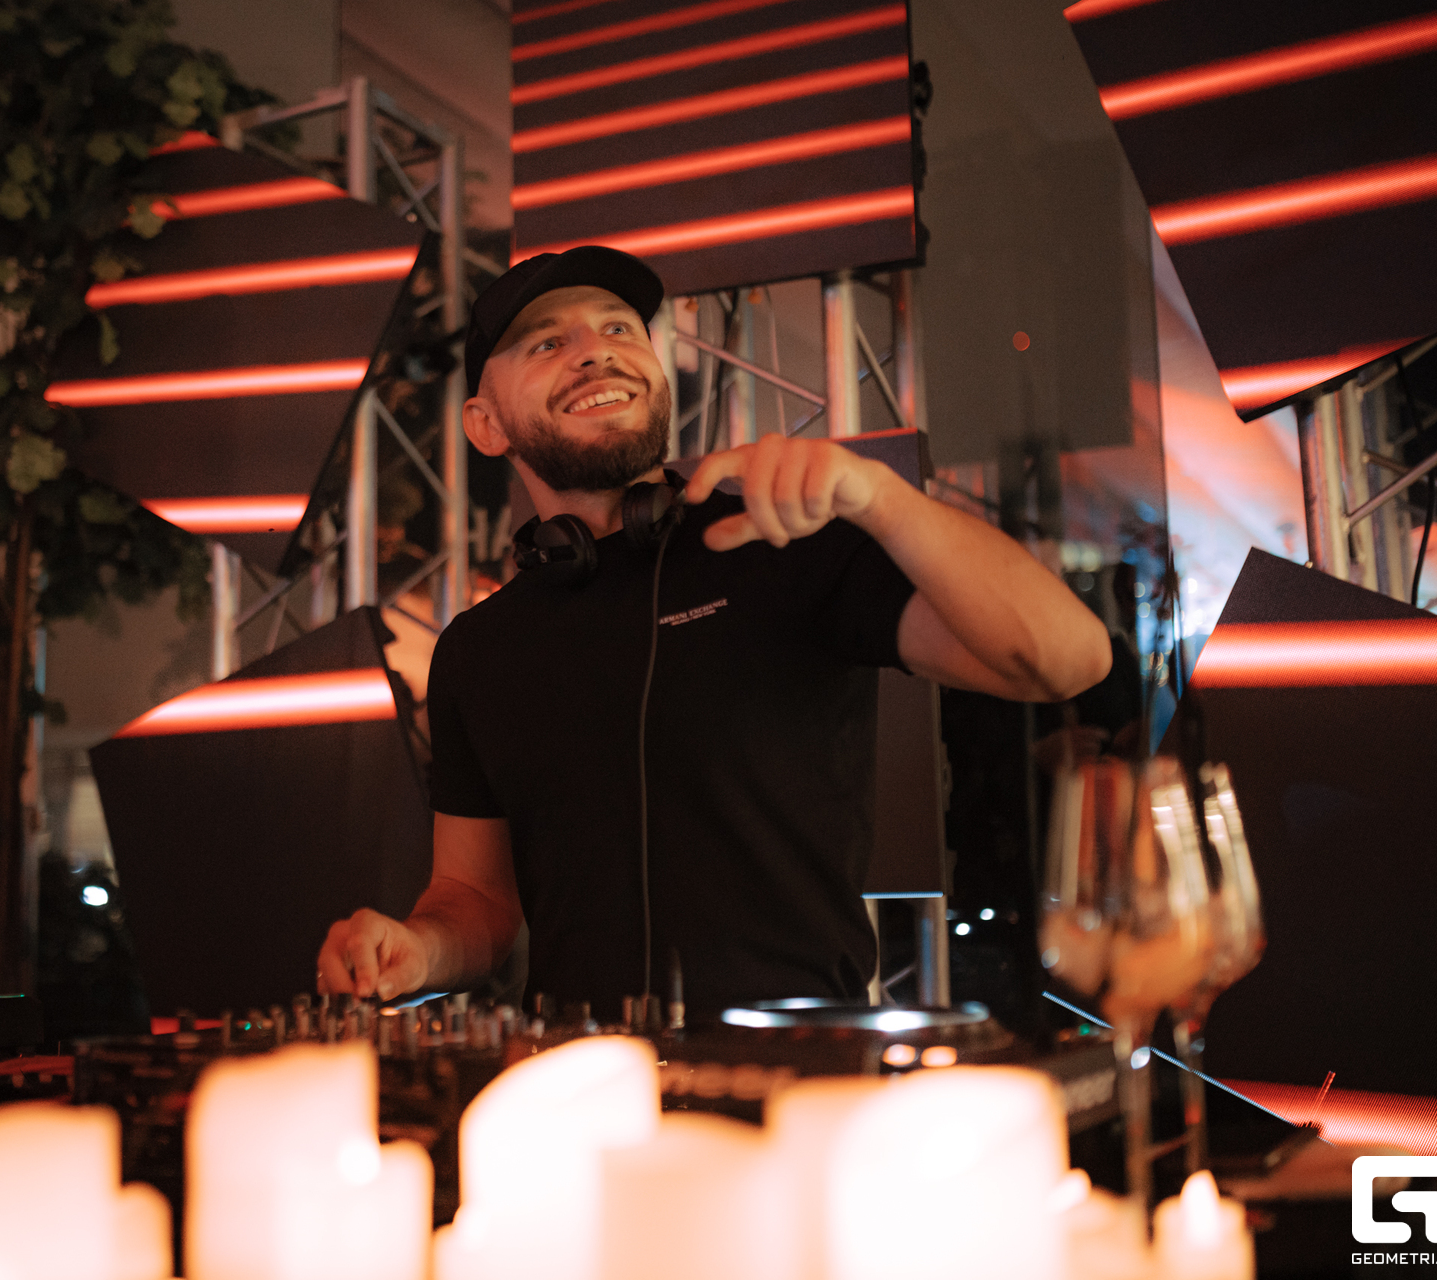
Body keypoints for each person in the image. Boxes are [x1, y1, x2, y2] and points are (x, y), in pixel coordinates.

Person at [316, 246, 1110, 1020]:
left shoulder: (783, 547)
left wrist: (883, 500)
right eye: (548, 343)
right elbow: (475, 899)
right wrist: (418, 950)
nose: (595, 351)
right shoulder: (478, 650)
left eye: (619, 328)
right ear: (486, 426)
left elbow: (1067, 659)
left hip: (799, 1066)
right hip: (583, 1079)